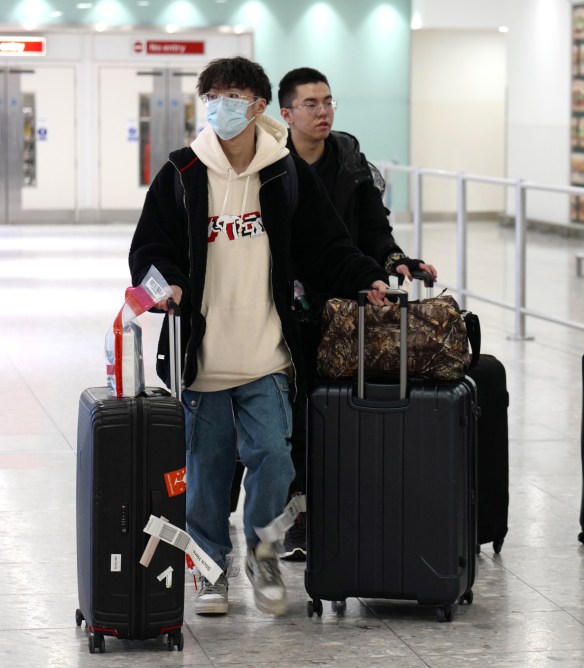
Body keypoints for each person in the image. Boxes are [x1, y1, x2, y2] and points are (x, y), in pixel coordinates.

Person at [128, 56, 390, 616]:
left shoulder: (284, 174)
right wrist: (168, 285)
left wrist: (365, 275)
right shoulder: (181, 172)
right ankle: (210, 572)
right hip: (203, 359)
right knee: (206, 476)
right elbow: (149, 251)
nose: (223, 106)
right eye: (214, 97)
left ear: (258, 106)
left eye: (234, 96)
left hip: (268, 352)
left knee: (275, 458)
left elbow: (326, 245)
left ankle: (264, 554)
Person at [275, 66, 438, 561]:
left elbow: (375, 228)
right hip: (288, 307)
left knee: (343, 406)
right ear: (286, 114)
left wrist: (395, 262)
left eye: (328, 101)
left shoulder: (348, 156)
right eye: (311, 104)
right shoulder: (271, 166)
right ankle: (297, 516)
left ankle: (344, 505)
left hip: (348, 305)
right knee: (296, 411)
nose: (323, 111)